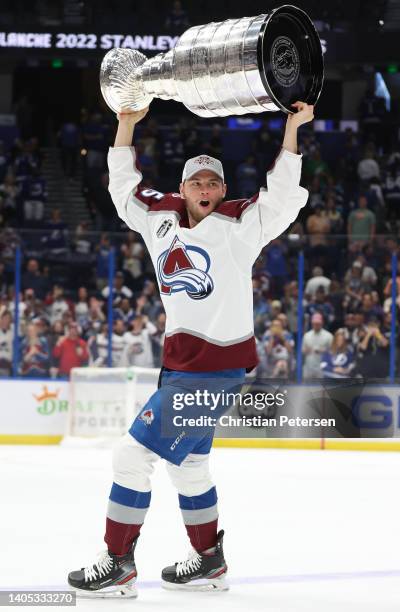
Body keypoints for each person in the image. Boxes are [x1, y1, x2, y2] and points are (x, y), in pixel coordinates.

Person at [67, 100, 314, 596]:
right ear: (183, 189)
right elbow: (122, 191)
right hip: (182, 368)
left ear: (223, 191)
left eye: (214, 183)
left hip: (212, 370)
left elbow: (284, 197)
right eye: (197, 182)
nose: (206, 189)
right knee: (190, 465)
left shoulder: (242, 227)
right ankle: (209, 561)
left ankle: (118, 563)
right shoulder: (158, 216)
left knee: (131, 456)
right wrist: (125, 125)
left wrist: (293, 129)